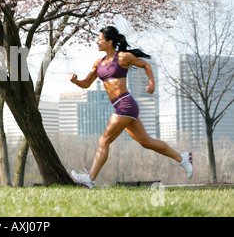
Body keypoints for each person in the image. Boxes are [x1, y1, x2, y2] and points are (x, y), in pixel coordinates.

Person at [69, 26, 193, 188]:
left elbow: (145, 65)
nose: (97, 42)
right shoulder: (98, 63)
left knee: (104, 140)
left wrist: (151, 83)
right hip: (121, 107)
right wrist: (75, 81)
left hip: (125, 104)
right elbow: (86, 83)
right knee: (146, 142)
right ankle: (182, 158)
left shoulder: (123, 57)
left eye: (100, 39)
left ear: (109, 42)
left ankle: (90, 178)